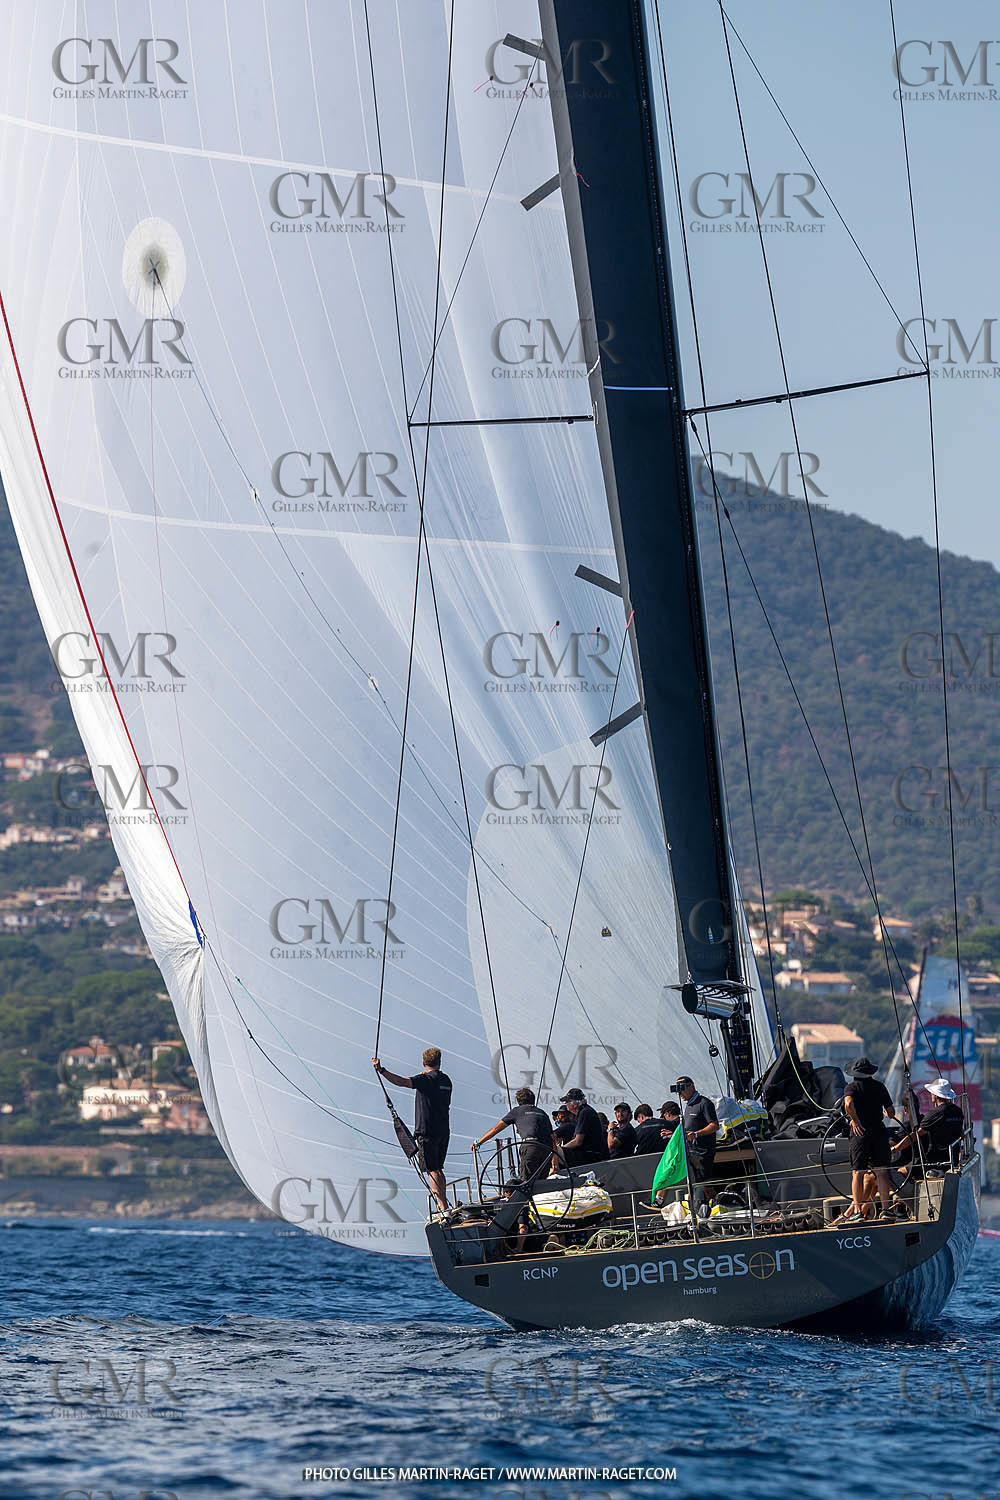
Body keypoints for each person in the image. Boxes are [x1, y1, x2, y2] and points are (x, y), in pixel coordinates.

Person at [373, 1047, 452, 1213]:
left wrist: (381, 1070)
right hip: (443, 1130)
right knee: (438, 1168)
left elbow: (402, 1082)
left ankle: (443, 1206)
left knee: (431, 1170)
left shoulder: (425, 1080)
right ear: (440, 1062)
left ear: (423, 1063)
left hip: (427, 1131)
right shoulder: (446, 1081)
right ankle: (444, 1203)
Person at [837, 1056, 896, 1225]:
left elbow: (848, 1104)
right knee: (882, 1171)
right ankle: (885, 1210)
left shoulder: (851, 1087)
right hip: (878, 1132)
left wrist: (854, 1120)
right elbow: (891, 1112)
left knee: (858, 1173)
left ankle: (857, 1211)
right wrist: (885, 1114)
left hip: (860, 1133)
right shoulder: (879, 1087)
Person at [473, 1086, 554, 1187]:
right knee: (542, 1184)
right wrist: (555, 1163)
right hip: (547, 1149)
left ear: (518, 1101)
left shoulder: (517, 1111)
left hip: (530, 1147)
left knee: (526, 1185)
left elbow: (495, 1129)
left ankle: (526, 1202)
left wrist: (479, 1142)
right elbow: (552, 1137)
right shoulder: (542, 1113)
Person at [893, 1077, 964, 1175]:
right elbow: (961, 1134)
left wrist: (896, 1148)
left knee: (900, 1171)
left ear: (935, 1095)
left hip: (933, 1160)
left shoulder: (934, 1114)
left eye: (931, 1092)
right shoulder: (958, 1111)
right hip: (953, 1159)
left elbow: (915, 1135)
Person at [554, 1087, 607, 1170]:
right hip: (590, 1154)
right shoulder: (585, 1112)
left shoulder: (585, 1113)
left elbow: (578, 1141)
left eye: (567, 1101)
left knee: (554, 1150)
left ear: (574, 1104)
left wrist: (562, 1149)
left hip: (590, 1156)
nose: (566, 1104)